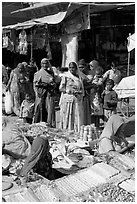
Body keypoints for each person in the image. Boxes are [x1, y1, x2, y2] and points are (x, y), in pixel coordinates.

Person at [59, 61, 84, 132]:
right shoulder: (66, 77)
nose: (72, 69)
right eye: (70, 68)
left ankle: (75, 131)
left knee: (76, 116)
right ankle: (66, 131)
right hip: (68, 99)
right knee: (68, 115)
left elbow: (82, 89)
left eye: (73, 68)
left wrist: (79, 92)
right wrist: (68, 90)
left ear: (76, 68)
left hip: (76, 99)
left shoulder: (79, 77)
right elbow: (61, 88)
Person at [33, 58, 57, 127]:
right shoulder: (38, 74)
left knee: (49, 109)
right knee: (40, 109)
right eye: (43, 63)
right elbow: (35, 85)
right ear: (41, 64)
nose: (45, 65)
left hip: (49, 94)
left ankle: (49, 124)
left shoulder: (51, 73)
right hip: (41, 94)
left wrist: (51, 85)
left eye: (46, 63)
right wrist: (41, 86)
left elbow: (54, 83)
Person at [78, 59, 93, 125]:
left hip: (86, 95)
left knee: (86, 110)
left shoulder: (89, 75)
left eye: (82, 67)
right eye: (80, 67)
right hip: (78, 95)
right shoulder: (77, 75)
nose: (81, 69)